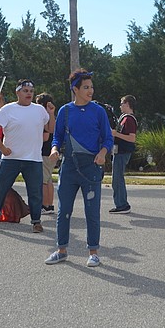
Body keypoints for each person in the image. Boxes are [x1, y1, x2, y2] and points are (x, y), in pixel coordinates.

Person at [45, 69, 113, 267]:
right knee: (63, 210)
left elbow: (108, 138)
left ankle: (93, 252)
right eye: (86, 87)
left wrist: (102, 153)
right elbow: (57, 136)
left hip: (91, 167)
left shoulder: (98, 111)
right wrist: (55, 149)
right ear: (75, 89)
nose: (90, 90)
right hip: (69, 167)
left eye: (91, 87)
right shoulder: (65, 111)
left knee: (92, 211)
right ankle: (61, 250)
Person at [0, 79, 55, 233]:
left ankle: (36, 221)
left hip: (33, 159)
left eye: (31, 91)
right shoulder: (8, 109)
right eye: (25, 91)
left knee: (35, 192)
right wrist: (2, 148)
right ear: (17, 92)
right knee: (1, 188)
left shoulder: (39, 110)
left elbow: (50, 129)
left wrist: (51, 113)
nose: (29, 93)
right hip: (11, 159)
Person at [110, 94, 138, 213]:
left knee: (118, 178)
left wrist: (116, 134)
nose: (120, 106)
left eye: (122, 103)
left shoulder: (129, 119)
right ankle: (120, 203)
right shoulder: (123, 118)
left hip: (123, 151)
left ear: (127, 104)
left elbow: (132, 138)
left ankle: (122, 205)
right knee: (116, 178)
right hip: (119, 151)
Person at [36, 92, 56, 214]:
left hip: (45, 152)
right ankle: (49, 204)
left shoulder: (45, 118)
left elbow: (45, 137)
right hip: (52, 152)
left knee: (43, 180)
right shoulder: (52, 116)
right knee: (48, 180)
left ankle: (44, 205)